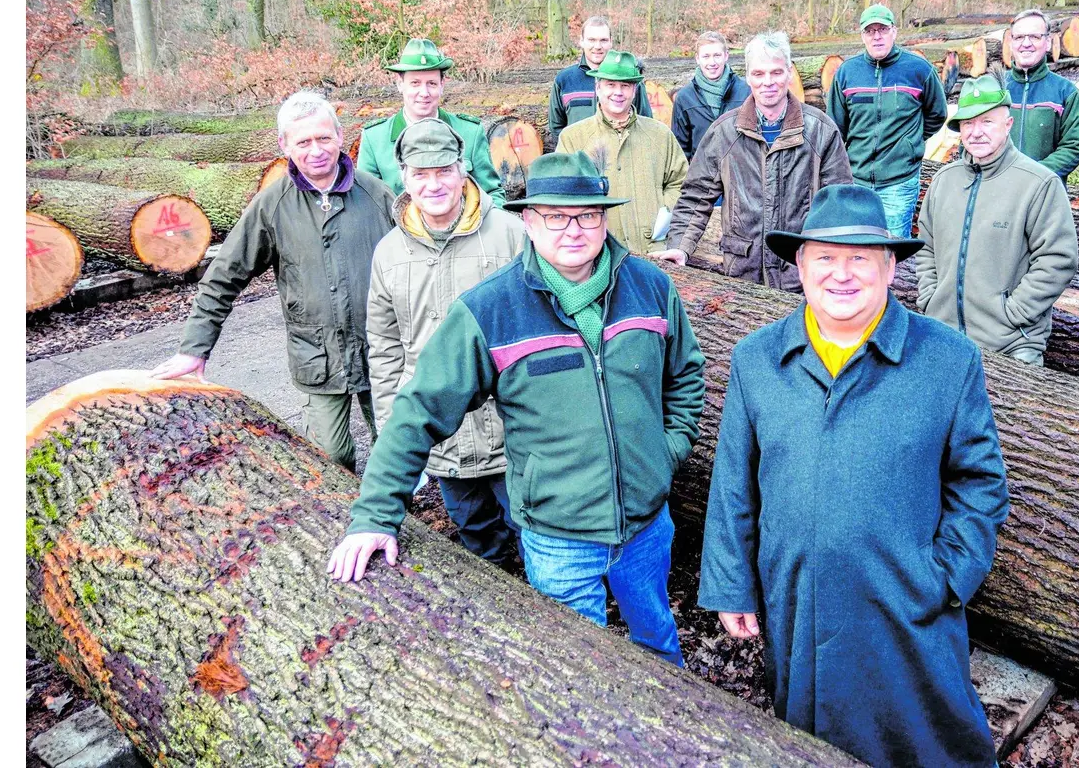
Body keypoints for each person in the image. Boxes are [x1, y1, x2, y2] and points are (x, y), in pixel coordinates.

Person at [329, 151, 706, 668]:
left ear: (603, 219)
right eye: (555, 216)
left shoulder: (651, 287)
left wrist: (667, 451)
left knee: (659, 641)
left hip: (646, 525)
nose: (573, 229)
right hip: (558, 536)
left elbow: (685, 375)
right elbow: (418, 411)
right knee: (577, 668)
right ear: (529, 221)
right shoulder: (490, 309)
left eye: (588, 215)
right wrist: (375, 515)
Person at [699, 183, 1009, 768]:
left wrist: (944, 578)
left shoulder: (947, 359)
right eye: (825, 258)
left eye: (861, 259)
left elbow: (980, 484)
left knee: (929, 734)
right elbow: (733, 481)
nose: (842, 275)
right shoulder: (758, 358)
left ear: (890, 267)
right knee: (811, 731)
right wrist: (732, 581)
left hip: (904, 599)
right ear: (800, 264)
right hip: (796, 595)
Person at [152, 90, 397, 470]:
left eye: (323, 138)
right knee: (331, 456)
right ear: (284, 145)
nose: (316, 150)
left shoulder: (377, 195)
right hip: (318, 357)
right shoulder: (272, 205)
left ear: (340, 136)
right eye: (303, 141)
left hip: (381, 350)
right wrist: (194, 349)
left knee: (395, 449)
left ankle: (398, 523)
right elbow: (222, 279)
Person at [365, 117, 527, 565]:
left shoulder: (509, 235)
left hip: (511, 432)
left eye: (443, 171)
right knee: (477, 537)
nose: (433, 184)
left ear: (463, 171)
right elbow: (384, 352)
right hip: (443, 439)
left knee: (533, 533)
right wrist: (393, 437)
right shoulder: (389, 253)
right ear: (404, 177)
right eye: (421, 174)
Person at [654, 31, 853, 291]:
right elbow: (696, 196)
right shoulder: (724, 132)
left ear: (789, 74)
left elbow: (840, 203)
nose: (768, 82)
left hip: (801, 272)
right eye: (759, 74)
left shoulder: (820, 130)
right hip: (742, 271)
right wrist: (680, 247)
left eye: (776, 72)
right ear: (747, 76)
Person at [916, 74, 1078, 366]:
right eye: (968, 124)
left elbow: (1057, 259)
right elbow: (926, 247)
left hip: (1012, 345)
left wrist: (1013, 314)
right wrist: (930, 298)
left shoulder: (1039, 183)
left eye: (986, 122)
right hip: (945, 338)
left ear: (1008, 124)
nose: (976, 132)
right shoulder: (943, 181)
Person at [827, 3, 948, 238]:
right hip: (856, 179)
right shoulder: (846, 73)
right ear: (862, 36)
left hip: (899, 182)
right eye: (870, 31)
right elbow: (836, 127)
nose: (877, 37)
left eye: (882, 29)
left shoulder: (919, 70)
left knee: (892, 248)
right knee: (856, 243)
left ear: (894, 31)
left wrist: (909, 143)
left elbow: (937, 114)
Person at [555, 50, 689, 255]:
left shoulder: (660, 135)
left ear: (634, 90)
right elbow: (562, 195)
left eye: (625, 85)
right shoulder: (573, 138)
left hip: (653, 252)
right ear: (597, 87)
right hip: (597, 255)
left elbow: (681, 182)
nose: (618, 92)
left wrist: (663, 211)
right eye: (610, 84)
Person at [356, 38, 505, 206]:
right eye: (415, 83)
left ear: (442, 85)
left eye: (432, 83)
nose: (424, 92)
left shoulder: (470, 132)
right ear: (400, 84)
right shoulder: (374, 139)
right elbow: (367, 204)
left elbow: (493, 195)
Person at [1004, 9, 1079, 183]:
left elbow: (1072, 149)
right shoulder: (996, 88)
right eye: (1019, 37)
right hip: (998, 190)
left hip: (1044, 193)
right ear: (1011, 43)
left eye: (1035, 37)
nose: (1026, 43)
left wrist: (1034, 174)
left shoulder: (1066, 93)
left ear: (1048, 42)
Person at [546, 16, 651, 147]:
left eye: (603, 40)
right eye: (591, 40)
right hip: (580, 162)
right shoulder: (564, 79)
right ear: (581, 41)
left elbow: (645, 122)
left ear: (611, 42)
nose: (597, 46)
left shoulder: (629, 79)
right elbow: (556, 126)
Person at [669, 31, 750, 159]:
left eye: (717, 55)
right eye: (706, 56)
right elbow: (680, 151)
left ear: (726, 56)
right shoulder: (685, 98)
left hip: (740, 173)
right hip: (701, 176)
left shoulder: (746, 91)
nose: (712, 62)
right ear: (697, 58)